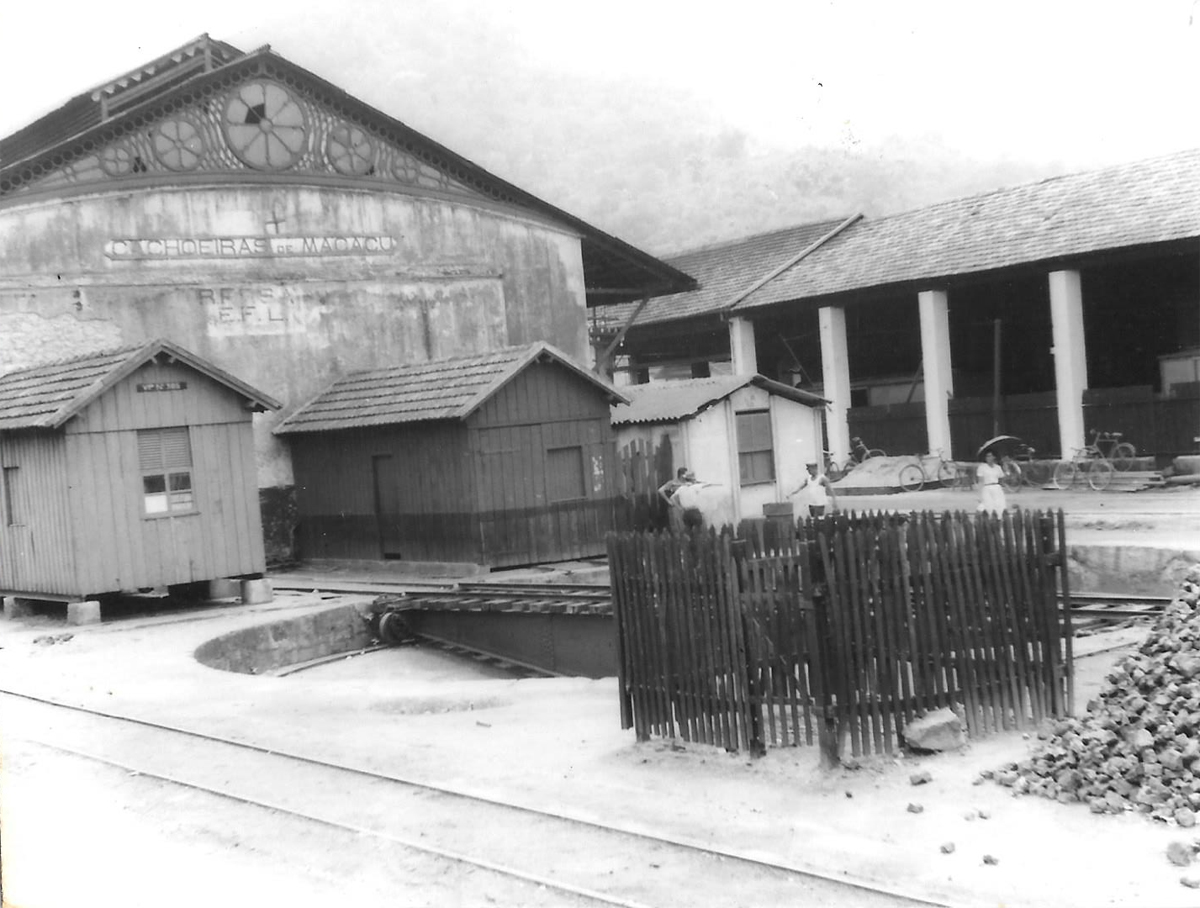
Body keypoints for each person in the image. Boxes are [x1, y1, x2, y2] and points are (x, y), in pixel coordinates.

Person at [658, 467, 695, 532]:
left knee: (687, 526)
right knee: (678, 526)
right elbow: (661, 490)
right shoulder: (673, 483)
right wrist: (668, 501)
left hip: (685, 506)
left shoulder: (688, 483)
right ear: (681, 475)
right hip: (675, 506)